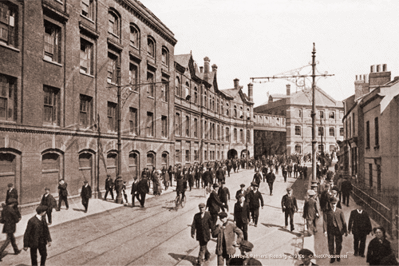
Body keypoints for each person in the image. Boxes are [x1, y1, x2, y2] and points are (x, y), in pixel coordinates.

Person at [323, 197, 347, 263]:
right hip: (330, 230)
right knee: (330, 244)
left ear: (336, 203)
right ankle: (332, 257)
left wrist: (345, 231)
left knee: (339, 244)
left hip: (338, 230)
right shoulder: (327, 211)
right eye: (332, 203)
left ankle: (338, 255)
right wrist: (325, 230)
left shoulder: (340, 211)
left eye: (334, 203)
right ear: (330, 204)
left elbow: (343, 221)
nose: (333, 205)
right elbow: (325, 221)